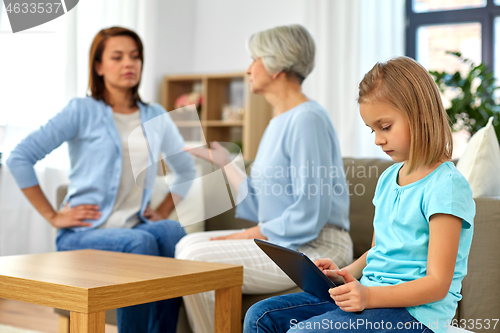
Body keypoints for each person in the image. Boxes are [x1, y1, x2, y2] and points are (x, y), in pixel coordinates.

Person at [243, 56, 476, 333]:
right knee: (261, 316)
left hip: (418, 315)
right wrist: (345, 274)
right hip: (373, 299)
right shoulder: (389, 178)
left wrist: (369, 296)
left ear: (420, 115)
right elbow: (379, 251)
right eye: (372, 130)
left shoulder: (446, 186)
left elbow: (438, 284)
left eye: (385, 126)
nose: (378, 139)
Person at [6, 27, 195, 333]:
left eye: (135, 56)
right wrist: (53, 216)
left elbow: (186, 170)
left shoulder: (155, 114)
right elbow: (19, 157)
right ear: (98, 66)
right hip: (83, 234)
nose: (128, 64)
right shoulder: (81, 111)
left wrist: (161, 212)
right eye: (117, 57)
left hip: (133, 227)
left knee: (172, 230)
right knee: (142, 241)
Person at [175, 24, 352, 333]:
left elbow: (310, 211)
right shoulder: (277, 123)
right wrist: (226, 162)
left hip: (317, 246)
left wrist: (248, 233)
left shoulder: (307, 118)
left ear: (276, 65)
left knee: (195, 256)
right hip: (287, 240)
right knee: (187, 244)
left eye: (254, 59)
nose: (248, 69)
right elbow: (262, 207)